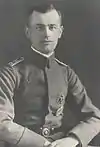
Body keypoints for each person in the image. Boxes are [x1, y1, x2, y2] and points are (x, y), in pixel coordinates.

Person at [0, 2, 100, 147]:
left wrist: (73, 140)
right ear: (28, 32)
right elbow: (2, 122)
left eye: (52, 27)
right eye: (39, 28)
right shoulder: (11, 73)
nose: (47, 34)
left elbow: (95, 116)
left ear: (60, 32)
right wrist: (43, 144)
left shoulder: (66, 73)